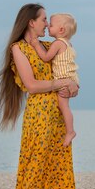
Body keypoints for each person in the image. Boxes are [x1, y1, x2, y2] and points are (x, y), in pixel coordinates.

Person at [0, 3, 79, 189]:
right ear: (31, 22)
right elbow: (31, 85)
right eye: (43, 19)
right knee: (33, 166)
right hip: (38, 114)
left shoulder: (52, 47)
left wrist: (72, 86)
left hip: (58, 113)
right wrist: (59, 84)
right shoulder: (18, 49)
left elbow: (68, 76)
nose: (46, 24)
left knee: (58, 166)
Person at [29, 13, 79, 147]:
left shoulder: (57, 43)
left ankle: (70, 131)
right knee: (64, 107)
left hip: (63, 79)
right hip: (71, 78)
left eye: (51, 25)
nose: (48, 27)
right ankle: (69, 130)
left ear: (61, 30)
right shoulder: (68, 44)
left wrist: (36, 44)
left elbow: (46, 57)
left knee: (64, 107)